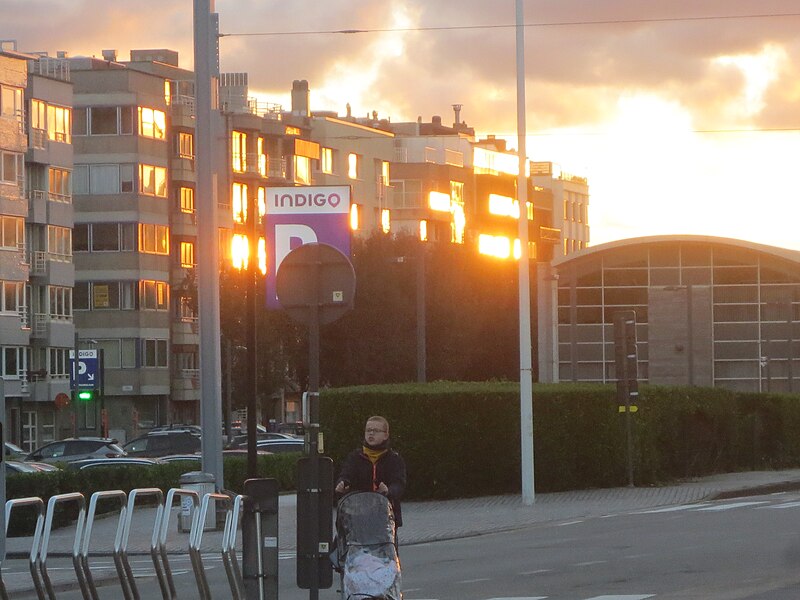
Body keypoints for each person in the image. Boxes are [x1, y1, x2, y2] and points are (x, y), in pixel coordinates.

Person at [335, 415, 407, 526]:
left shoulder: (394, 459)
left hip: (386, 515)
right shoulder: (355, 457)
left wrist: (389, 491)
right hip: (359, 514)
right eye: (368, 430)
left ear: (385, 435)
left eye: (376, 431)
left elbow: (399, 483)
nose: (371, 433)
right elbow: (346, 475)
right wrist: (343, 484)